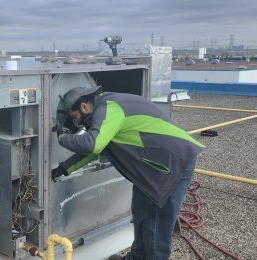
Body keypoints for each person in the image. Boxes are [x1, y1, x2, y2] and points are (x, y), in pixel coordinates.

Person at [51, 86, 204, 260]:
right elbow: (95, 149)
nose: (76, 123)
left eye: (74, 117)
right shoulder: (108, 106)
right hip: (153, 168)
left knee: (156, 222)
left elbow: (92, 144)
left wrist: (62, 137)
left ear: (84, 106)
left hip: (171, 163)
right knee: (141, 213)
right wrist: (65, 168)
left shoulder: (110, 108)